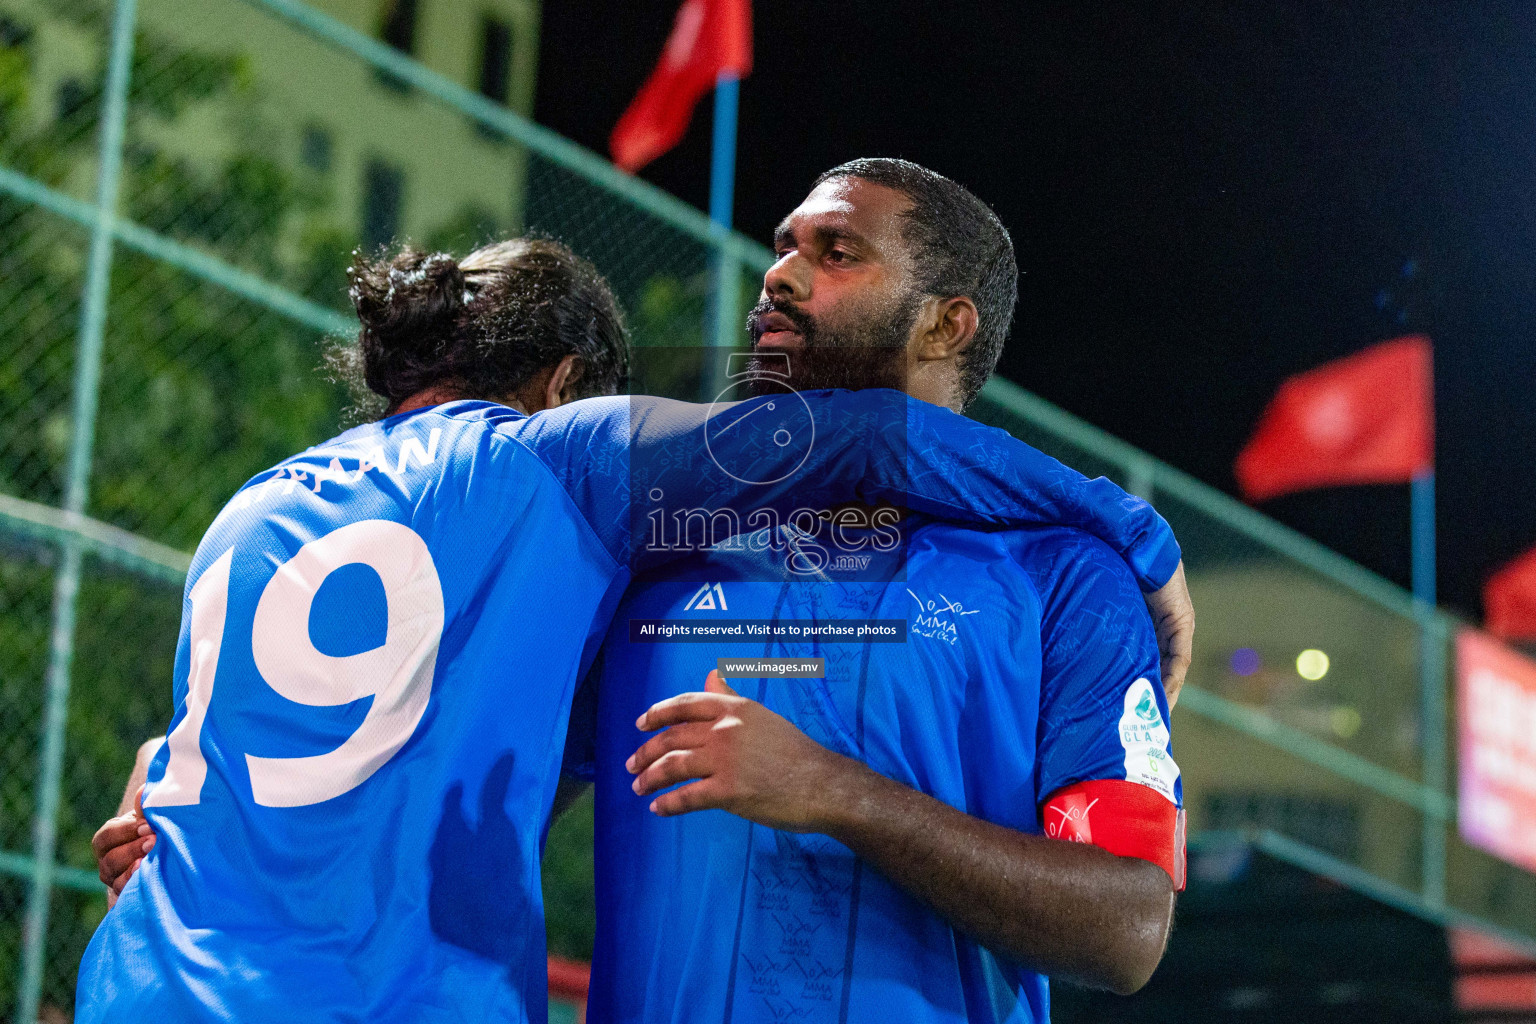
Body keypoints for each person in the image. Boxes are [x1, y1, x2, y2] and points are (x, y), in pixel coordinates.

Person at [77, 233, 1187, 1023]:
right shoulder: (564, 479)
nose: (778, 276)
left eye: (834, 250)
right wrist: (1147, 540)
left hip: (147, 974)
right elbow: (865, 443)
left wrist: (179, 809)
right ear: (569, 386)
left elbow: (262, 753)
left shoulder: (251, 506)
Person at [566, 159, 1184, 1023]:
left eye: (838, 252)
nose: (780, 274)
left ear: (945, 325)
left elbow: (1126, 927)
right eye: (783, 248)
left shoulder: (1067, 576)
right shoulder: (659, 550)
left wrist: (835, 793)